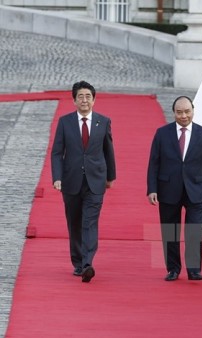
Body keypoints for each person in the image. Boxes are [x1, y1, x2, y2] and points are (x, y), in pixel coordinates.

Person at [51, 81, 116, 283]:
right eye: (80, 96)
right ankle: (78, 262)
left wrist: (110, 177)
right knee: (75, 223)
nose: (84, 100)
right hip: (71, 182)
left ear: (94, 100)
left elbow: (109, 150)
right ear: (74, 100)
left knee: (90, 222)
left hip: (95, 181)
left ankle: (88, 263)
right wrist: (57, 177)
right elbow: (56, 153)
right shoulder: (65, 122)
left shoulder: (103, 122)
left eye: (88, 96)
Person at [147, 96, 202, 282]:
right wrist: (152, 189)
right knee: (170, 230)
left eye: (187, 111)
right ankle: (173, 269)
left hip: (195, 188)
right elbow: (154, 163)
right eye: (179, 112)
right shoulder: (162, 133)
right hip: (168, 188)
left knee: (194, 229)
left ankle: (194, 269)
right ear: (174, 113)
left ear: (193, 111)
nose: (184, 116)